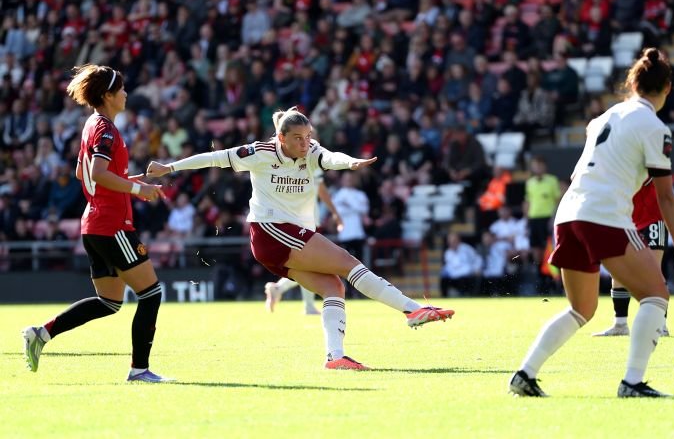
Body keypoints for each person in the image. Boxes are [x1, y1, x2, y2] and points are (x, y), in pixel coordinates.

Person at [146, 108, 454, 370]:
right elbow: (215, 158)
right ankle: (412, 309)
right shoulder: (260, 152)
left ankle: (335, 357)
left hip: (286, 237)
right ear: (281, 138)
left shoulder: (312, 150)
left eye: (308, 136)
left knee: (333, 287)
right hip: (271, 231)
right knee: (347, 262)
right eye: (297, 138)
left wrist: (350, 162)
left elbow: (330, 157)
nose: (305, 143)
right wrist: (169, 167)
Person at [507, 48, 674, 398]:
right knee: (656, 295)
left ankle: (525, 374)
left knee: (581, 309)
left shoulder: (605, 117)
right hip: (603, 215)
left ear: (633, 83)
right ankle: (633, 383)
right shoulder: (655, 127)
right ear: (668, 88)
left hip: (568, 213)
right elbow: (666, 198)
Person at [22, 64, 172, 383]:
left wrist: (134, 180)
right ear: (107, 95)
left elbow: (83, 173)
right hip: (112, 224)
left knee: (109, 302)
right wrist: (136, 189)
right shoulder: (106, 129)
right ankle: (139, 370)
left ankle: (40, 334)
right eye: (122, 89)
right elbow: (98, 174)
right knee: (151, 293)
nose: (126, 94)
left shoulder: (91, 124)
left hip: (93, 224)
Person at [593, 178, 670, 337]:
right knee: (618, 272)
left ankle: (660, 325)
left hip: (652, 219)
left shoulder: (644, 164)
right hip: (626, 221)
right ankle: (620, 324)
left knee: (653, 272)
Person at [265, 173, 343, 315]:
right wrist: (335, 212)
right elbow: (321, 189)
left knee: (307, 264)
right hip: (307, 219)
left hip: (292, 217)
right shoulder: (309, 161)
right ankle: (303, 303)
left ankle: (283, 291)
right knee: (310, 264)